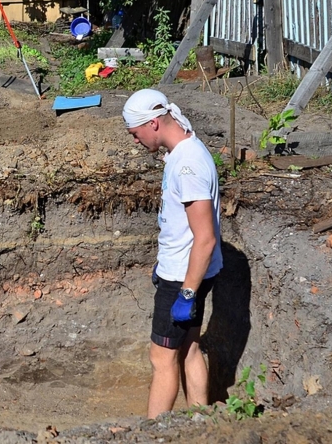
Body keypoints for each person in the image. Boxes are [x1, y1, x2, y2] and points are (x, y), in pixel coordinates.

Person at [122, 89, 223, 419]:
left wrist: (186, 293)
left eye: (135, 133)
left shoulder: (187, 165)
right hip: (185, 270)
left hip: (182, 278)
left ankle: (153, 433)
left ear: (153, 123)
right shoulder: (184, 152)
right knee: (189, 348)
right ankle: (200, 424)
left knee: (162, 359)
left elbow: (205, 239)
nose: (135, 140)